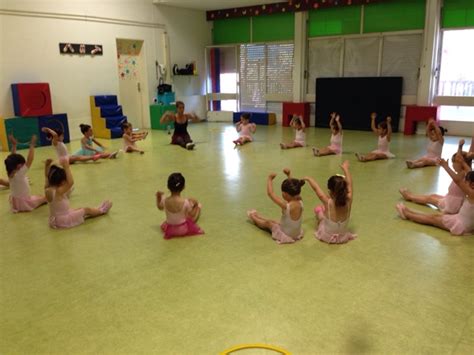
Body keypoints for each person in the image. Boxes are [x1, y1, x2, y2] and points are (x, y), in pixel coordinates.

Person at [396, 158, 474, 236]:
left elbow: (458, 181)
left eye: (466, 181)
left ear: (472, 184)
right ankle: (409, 212)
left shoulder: (472, 193)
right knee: (435, 216)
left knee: (432, 219)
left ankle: (407, 214)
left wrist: (445, 167)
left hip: (460, 224)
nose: (465, 183)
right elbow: (469, 172)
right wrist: (463, 163)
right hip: (462, 221)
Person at [399, 139, 472, 214]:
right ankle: (411, 196)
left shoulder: (462, 174)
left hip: (452, 205)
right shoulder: (467, 173)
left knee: (430, 199)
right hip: (452, 200)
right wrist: (460, 147)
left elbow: (457, 169)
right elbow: (459, 158)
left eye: (453, 163)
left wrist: (446, 166)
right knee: (433, 195)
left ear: (460, 163)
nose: (452, 165)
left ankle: (409, 196)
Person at [45, 158, 112, 229]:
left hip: (57, 218)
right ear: (62, 182)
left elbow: (47, 177)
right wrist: (66, 167)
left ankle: (97, 209)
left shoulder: (48, 189)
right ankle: (102, 211)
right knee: (86, 210)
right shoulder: (58, 192)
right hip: (64, 220)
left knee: (79, 209)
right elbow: (70, 182)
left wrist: (47, 166)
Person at [247, 169, 304, 244]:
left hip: (286, 235)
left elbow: (271, 193)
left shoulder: (286, 206)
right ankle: (259, 216)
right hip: (296, 233)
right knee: (275, 221)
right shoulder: (300, 201)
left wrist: (270, 179)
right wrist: (289, 175)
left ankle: (253, 217)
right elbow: (294, 188)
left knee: (268, 223)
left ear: (284, 194)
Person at [305, 160, 356, 244]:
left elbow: (316, 189)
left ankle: (319, 212)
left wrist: (309, 179)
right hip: (343, 237)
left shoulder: (327, 202)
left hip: (327, 236)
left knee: (321, 215)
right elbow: (350, 184)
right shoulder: (349, 200)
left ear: (330, 191)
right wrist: (346, 169)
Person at [4, 135, 47, 213]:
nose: (23, 165)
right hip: (24, 203)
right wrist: (32, 145)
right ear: (18, 165)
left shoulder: (10, 171)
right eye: (22, 164)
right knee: (44, 198)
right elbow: (30, 160)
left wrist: (14, 145)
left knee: (38, 196)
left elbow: (11, 158)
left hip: (16, 201)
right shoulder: (19, 173)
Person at [156, 173, 204, 239]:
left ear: (168, 186)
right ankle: (199, 206)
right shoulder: (185, 202)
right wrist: (196, 205)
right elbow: (192, 215)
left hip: (170, 230)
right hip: (183, 229)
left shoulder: (165, 200)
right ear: (183, 187)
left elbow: (160, 207)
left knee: (167, 221)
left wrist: (158, 198)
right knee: (194, 213)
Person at [41, 127, 109, 164]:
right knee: (78, 158)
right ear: (57, 137)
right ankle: (93, 158)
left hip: (66, 157)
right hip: (64, 159)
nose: (63, 137)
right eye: (62, 136)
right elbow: (55, 135)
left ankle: (97, 157)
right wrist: (48, 130)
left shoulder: (59, 142)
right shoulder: (55, 143)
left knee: (78, 157)